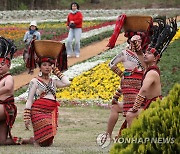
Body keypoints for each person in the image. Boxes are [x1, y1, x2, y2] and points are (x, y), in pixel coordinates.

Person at [126, 17, 177, 127]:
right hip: (148, 103)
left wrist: (135, 108)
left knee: (130, 115)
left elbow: (144, 90)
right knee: (130, 115)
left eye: (148, 53)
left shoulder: (152, 72)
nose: (145, 54)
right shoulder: (148, 67)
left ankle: (132, 139)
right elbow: (140, 56)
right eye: (146, 52)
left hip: (153, 105)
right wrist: (135, 45)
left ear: (155, 59)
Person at [24, 40, 70, 146]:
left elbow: (67, 83)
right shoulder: (34, 81)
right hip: (38, 112)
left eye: (50, 65)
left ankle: (32, 139)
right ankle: (33, 140)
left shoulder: (53, 81)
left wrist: (57, 71)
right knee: (43, 140)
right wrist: (26, 116)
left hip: (51, 112)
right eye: (44, 65)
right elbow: (30, 100)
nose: (47, 67)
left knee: (48, 142)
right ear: (39, 67)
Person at [0, 37, 33, 145]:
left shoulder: (8, 77)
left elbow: (8, 87)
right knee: (2, 141)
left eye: (2, 64)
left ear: (8, 65)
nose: (0, 66)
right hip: (3, 109)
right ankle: (25, 141)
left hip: (6, 108)